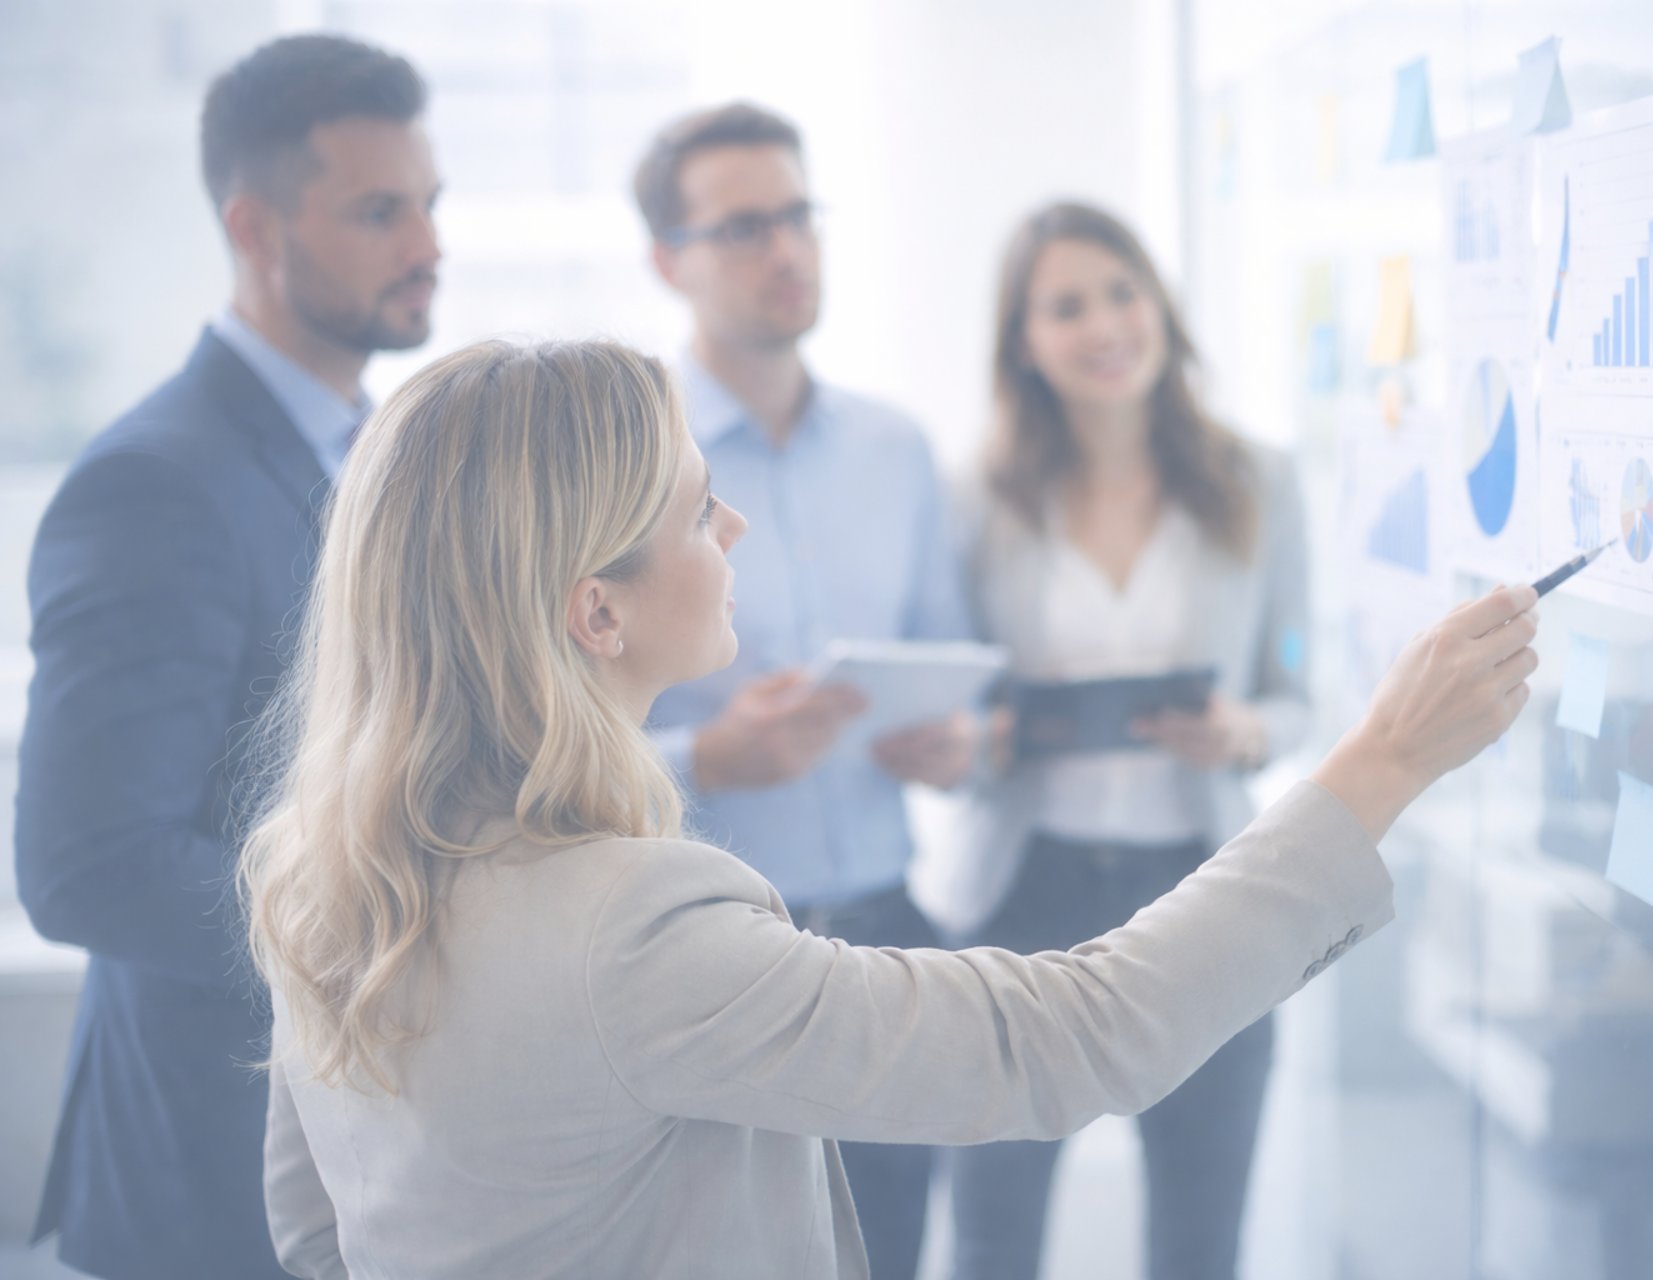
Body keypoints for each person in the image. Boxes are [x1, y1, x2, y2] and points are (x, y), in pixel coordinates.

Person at [243, 336, 1537, 1279]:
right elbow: (1072, 1037)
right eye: (699, 509)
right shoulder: (628, 929)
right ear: (598, 610)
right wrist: (1384, 760)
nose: (735, 525)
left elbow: (316, 1236)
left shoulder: (322, 871)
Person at [12, 34, 440, 1280]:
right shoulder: (155, 481)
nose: (427, 245)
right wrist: (399, 942)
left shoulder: (382, 448)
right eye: (379, 211)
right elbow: (90, 866)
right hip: (215, 1167)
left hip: (369, 1151)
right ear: (257, 230)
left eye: (428, 204)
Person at [628, 101, 974, 1278]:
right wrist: (707, 760)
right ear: (668, 260)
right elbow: (545, 731)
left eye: (798, 216)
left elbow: (951, 659)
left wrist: (954, 741)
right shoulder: (624, 458)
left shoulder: (898, 448)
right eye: (744, 228)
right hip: (701, 948)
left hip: (887, 936)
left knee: (891, 1252)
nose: (786, 250)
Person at [941, 200, 1310, 1279]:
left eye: (1122, 291)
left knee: (1201, 1234)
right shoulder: (980, 497)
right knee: (991, 1233)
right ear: (1024, 340)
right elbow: (954, 713)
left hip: (1202, 890)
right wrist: (989, 734)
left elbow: (1299, 697)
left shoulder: (1259, 482)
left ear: (1160, 306)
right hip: (1023, 894)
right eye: (1066, 306)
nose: (1104, 323)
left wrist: (1244, 729)